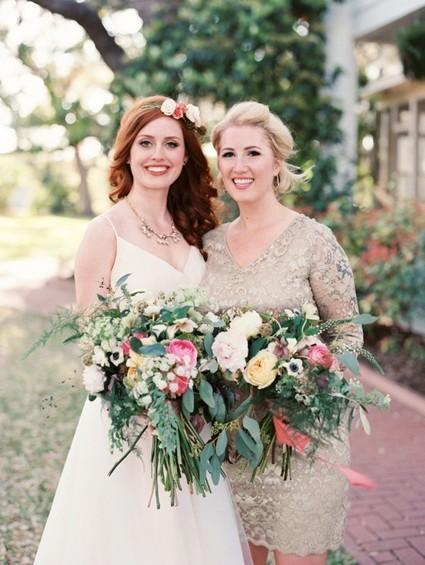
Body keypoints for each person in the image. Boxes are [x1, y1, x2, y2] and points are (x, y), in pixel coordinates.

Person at [34, 95, 252, 565]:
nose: (159, 154)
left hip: (191, 419)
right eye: (146, 142)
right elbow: (94, 338)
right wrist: (148, 392)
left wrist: (200, 386)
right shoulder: (104, 232)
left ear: (186, 156)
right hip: (129, 420)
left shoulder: (193, 229)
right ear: (128, 152)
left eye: (171, 144)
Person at [201, 101, 364, 565]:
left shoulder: (313, 240)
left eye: (252, 153)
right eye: (228, 154)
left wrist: (308, 387)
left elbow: (348, 335)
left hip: (303, 441)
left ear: (276, 163)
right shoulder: (209, 246)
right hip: (236, 443)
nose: (239, 166)